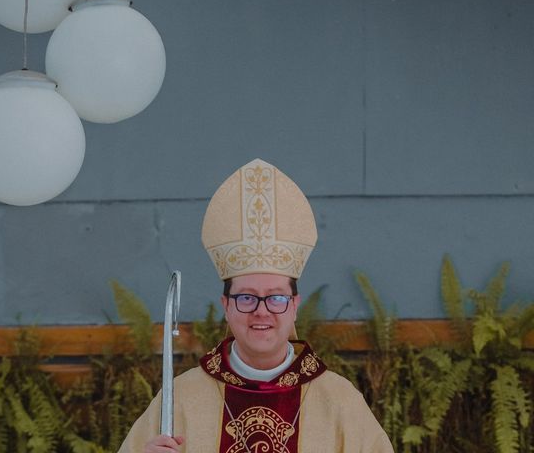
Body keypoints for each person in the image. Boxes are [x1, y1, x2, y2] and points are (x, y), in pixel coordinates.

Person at [118, 159, 394, 452]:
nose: (261, 311)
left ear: (295, 305)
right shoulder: (181, 398)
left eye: (275, 298)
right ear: (226, 305)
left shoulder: (337, 400)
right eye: (246, 297)